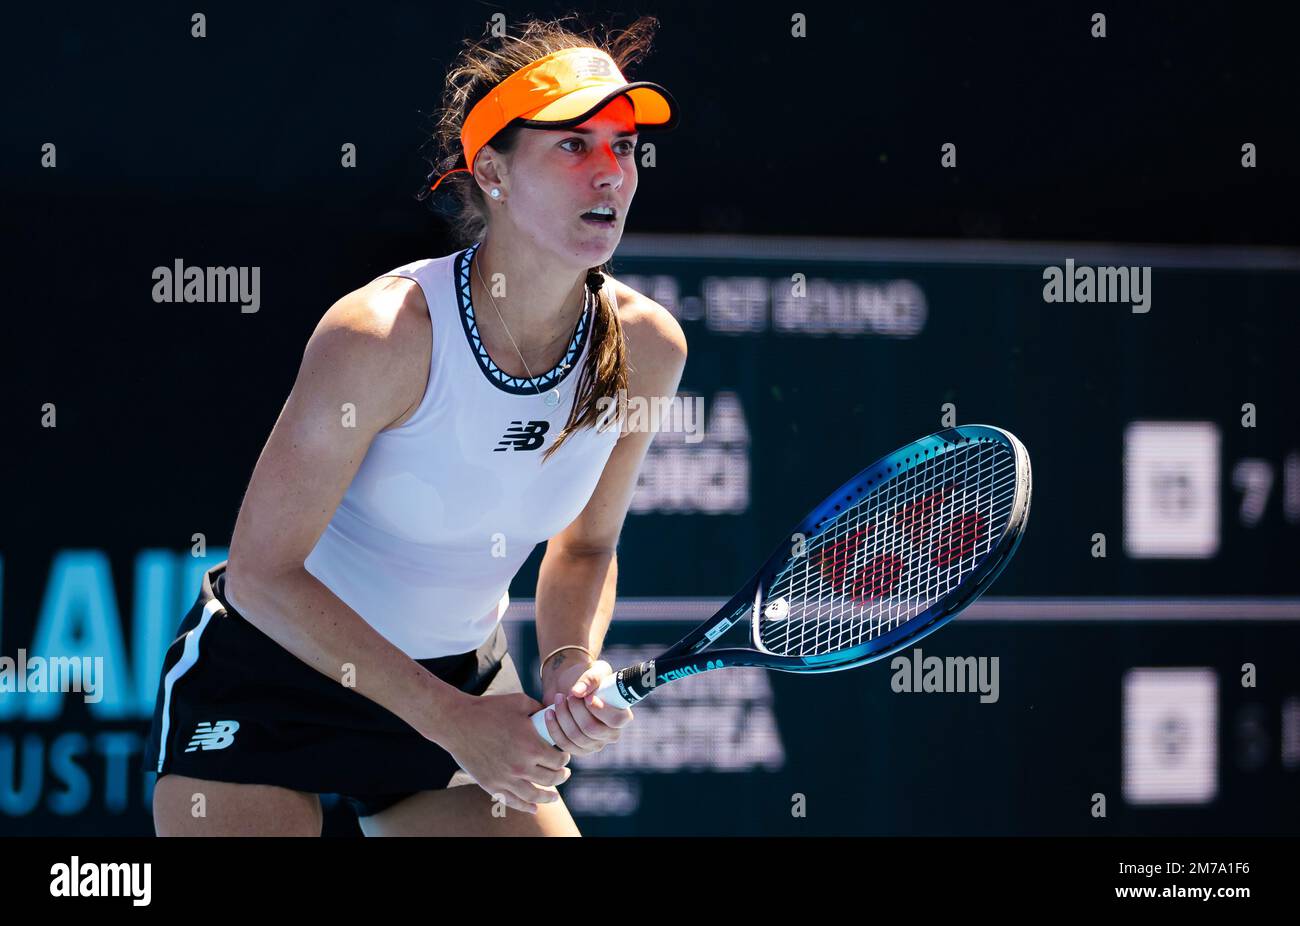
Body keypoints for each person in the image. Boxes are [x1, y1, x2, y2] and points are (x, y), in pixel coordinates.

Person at [145, 14, 685, 836]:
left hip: (458, 686)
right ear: (493, 175)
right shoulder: (384, 335)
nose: (611, 173)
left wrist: (570, 665)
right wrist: (452, 721)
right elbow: (261, 574)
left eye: (625, 146)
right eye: (574, 146)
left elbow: (586, 547)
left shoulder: (648, 346)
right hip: (270, 682)